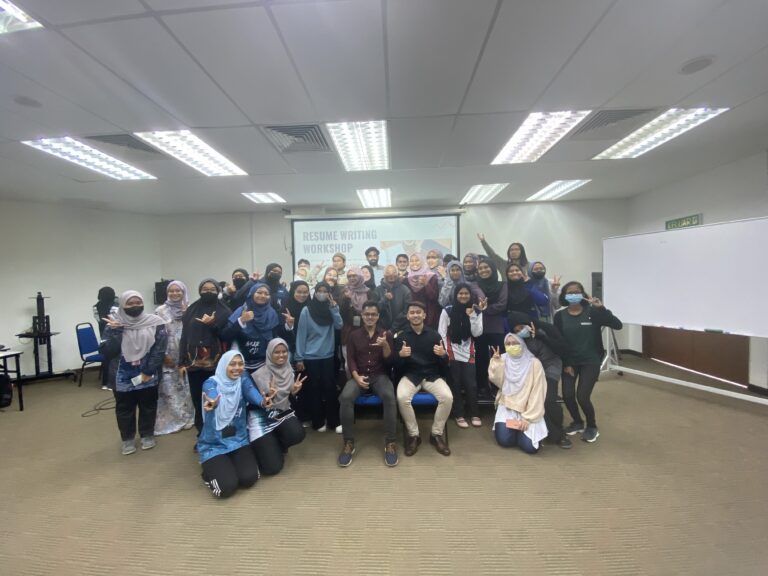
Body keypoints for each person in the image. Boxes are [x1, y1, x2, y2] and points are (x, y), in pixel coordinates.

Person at [100, 290, 168, 455]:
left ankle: (147, 434)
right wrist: (117, 331)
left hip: (147, 369)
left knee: (148, 404)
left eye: (138, 303)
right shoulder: (113, 324)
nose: (135, 306)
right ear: (122, 305)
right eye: (130, 303)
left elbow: (159, 349)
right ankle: (127, 439)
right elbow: (108, 351)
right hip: (121, 373)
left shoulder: (156, 322)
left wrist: (149, 370)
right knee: (124, 407)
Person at [554, 281, 623, 443]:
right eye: (569, 292)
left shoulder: (593, 312)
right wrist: (566, 363)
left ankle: (592, 426)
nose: (573, 295)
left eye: (576, 292)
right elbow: (559, 341)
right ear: (564, 296)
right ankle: (578, 422)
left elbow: (617, 325)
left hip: (590, 361)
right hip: (570, 362)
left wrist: (601, 308)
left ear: (583, 294)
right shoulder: (559, 316)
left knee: (583, 396)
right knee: (568, 395)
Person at [337, 301, 398, 467]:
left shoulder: (386, 334)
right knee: (345, 397)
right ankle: (348, 442)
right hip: (359, 375)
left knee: (389, 396)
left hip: (380, 375)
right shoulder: (353, 335)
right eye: (367, 314)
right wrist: (356, 377)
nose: (370, 317)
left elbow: (390, 362)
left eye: (373, 314)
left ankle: (390, 442)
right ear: (362, 316)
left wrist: (385, 346)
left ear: (378, 316)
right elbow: (350, 359)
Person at [198, 351, 260, 498]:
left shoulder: (242, 381)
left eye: (240, 364)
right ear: (223, 365)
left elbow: (251, 392)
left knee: (249, 479)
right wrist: (213, 402)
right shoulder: (211, 382)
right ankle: (208, 473)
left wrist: (263, 401)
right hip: (214, 445)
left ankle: (228, 464)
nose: (237, 368)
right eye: (232, 364)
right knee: (227, 488)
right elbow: (210, 392)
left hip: (238, 441)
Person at [394, 302, 453, 457]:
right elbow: (395, 365)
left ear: (424, 315)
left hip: (431, 375)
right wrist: (400, 356)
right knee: (402, 397)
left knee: (447, 397)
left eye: (418, 312)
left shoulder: (434, 335)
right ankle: (414, 435)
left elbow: (445, 363)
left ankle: (436, 434)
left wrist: (443, 355)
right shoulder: (401, 336)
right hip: (411, 376)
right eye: (412, 312)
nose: (415, 315)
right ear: (407, 316)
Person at [507, 312, 571, 449]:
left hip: (550, 367)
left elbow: (563, 349)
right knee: (533, 400)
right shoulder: (518, 339)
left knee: (548, 399)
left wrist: (542, 336)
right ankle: (542, 431)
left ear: (529, 323)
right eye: (516, 330)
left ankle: (559, 434)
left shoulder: (547, 328)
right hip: (531, 371)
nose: (520, 331)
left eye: (522, 327)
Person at [179, 279, 231, 436]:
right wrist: (181, 362)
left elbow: (226, 336)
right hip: (193, 363)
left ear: (218, 291)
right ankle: (202, 432)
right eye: (205, 289)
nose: (208, 292)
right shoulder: (191, 310)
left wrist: (212, 324)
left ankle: (217, 430)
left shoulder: (225, 311)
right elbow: (184, 337)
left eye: (212, 289)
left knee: (216, 397)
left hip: (216, 364)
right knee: (197, 398)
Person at [248, 339, 307, 474]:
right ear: (269, 353)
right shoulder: (258, 375)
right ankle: (262, 446)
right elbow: (252, 405)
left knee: (297, 433)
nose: (281, 355)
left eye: (284, 351)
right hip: (262, 418)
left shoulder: (289, 370)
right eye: (276, 352)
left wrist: (293, 392)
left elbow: (289, 402)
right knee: (272, 468)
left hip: (281, 414)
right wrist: (268, 396)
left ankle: (276, 443)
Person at [294, 281, 343, 432]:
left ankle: (334, 421)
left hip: (327, 355)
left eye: (325, 291)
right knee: (313, 390)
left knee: (330, 389)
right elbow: (301, 335)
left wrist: (334, 309)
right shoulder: (307, 310)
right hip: (310, 357)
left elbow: (339, 325)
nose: (322, 293)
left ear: (329, 293)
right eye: (319, 291)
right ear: (314, 292)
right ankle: (318, 421)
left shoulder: (331, 308)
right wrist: (299, 357)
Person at [488, 333, 547, 454]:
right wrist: (496, 363)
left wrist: (527, 418)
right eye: (508, 344)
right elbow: (497, 381)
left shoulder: (534, 363)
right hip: (508, 405)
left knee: (529, 447)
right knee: (504, 441)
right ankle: (515, 431)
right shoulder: (503, 359)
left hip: (528, 409)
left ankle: (521, 432)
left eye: (515, 343)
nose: (511, 346)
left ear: (522, 344)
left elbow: (538, 393)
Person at [438, 284, 485, 429]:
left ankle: (475, 413)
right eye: (460, 293)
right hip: (451, 351)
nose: (463, 296)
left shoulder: (476, 310)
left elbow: (477, 333)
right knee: (455, 384)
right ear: (455, 295)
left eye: (466, 293)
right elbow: (442, 332)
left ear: (470, 295)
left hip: (468, 351)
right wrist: (446, 351)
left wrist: (473, 316)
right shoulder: (447, 310)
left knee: (471, 384)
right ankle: (459, 414)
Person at [154, 280, 195, 435]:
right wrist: (163, 355)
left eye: (178, 291)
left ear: (184, 292)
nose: (175, 293)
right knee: (169, 388)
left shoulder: (190, 308)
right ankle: (175, 418)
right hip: (168, 354)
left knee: (186, 387)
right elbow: (156, 335)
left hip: (187, 353)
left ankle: (188, 417)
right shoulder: (160, 311)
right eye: (171, 291)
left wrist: (187, 315)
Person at [221, 283, 283, 372]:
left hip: (264, 364)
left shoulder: (272, 314)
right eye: (259, 292)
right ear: (252, 294)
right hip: (240, 365)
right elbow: (225, 336)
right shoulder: (241, 311)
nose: (263, 296)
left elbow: (274, 338)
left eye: (266, 294)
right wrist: (241, 321)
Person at [473, 259, 507, 400]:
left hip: (497, 328)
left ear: (492, 268)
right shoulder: (475, 285)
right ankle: (482, 387)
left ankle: (497, 387)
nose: (483, 270)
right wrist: (481, 308)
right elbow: (475, 303)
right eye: (480, 268)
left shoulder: (502, 285)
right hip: (479, 328)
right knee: (480, 360)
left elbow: (502, 304)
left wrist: (484, 309)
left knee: (498, 359)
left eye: (486, 267)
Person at [404, 253, 440, 328]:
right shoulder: (406, 279)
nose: (414, 263)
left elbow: (434, 297)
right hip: (412, 318)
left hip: (429, 317)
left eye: (417, 260)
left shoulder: (431, 277)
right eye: (412, 261)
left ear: (422, 261)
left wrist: (426, 284)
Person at [93, 286, 118, 389]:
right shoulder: (115, 306)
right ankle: (112, 383)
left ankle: (105, 383)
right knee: (115, 359)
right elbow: (117, 320)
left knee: (107, 358)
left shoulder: (95, 307)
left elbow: (98, 320)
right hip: (115, 334)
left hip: (103, 334)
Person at [375, 264, 412, 332]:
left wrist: (393, 328)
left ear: (397, 274)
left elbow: (407, 311)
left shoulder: (405, 290)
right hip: (381, 329)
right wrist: (384, 299)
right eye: (388, 272)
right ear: (384, 274)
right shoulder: (377, 290)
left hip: (401, 329)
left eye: (394, 272)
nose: (391, 275)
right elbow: (375, 310)